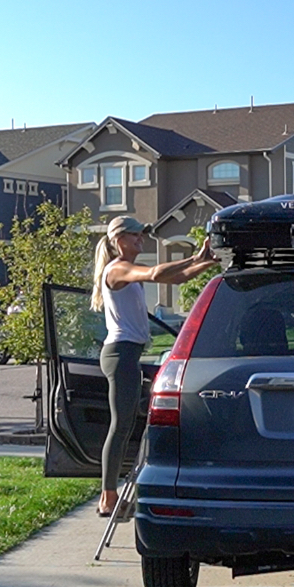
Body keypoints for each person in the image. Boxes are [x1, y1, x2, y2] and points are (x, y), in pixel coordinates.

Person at [91, 216, 216, 516]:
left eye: (141, 236)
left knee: (127, 424)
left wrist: (208, 263)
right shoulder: (117, 268)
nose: (140, 241)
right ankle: (108, 498)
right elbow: (159, 272)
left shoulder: (126, 270)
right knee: (120, 426)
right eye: (135, 236)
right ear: (118, 240)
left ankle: (113, 494)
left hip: (128, 355)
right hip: (119, 354)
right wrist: (195, 256)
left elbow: (176, 279)